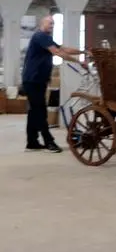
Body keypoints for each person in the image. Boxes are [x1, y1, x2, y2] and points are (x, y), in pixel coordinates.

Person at [22, 15, 87, 152]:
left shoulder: (46, 38)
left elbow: (64, 49)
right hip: (33, 80)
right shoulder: (40, 36)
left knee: (34, 111)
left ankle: (32, 142)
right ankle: (49, 141)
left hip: (38, 80)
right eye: (50, 23)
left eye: (53, 24)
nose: (52, 26)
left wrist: (83, 51)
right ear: (42, 23)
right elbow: (58, 52)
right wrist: (79, 62)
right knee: (40, 111)